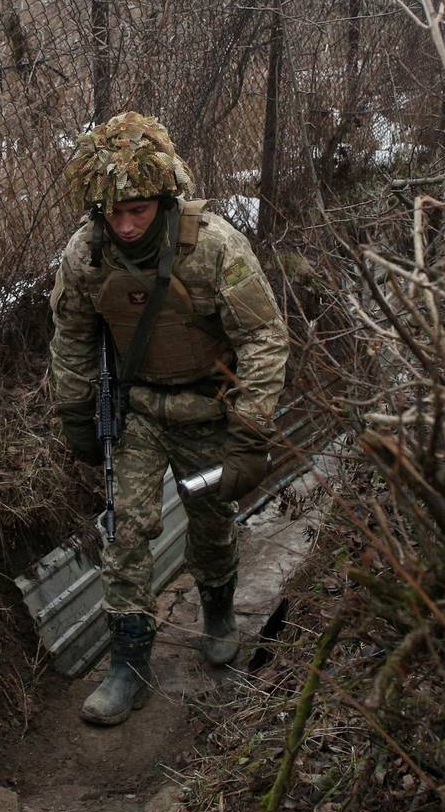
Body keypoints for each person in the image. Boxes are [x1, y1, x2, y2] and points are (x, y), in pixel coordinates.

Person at [49, 111, 289, 727]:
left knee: (211, 519)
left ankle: (217, 610)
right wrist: (77, 411)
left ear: (163, 197)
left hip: (208, 407)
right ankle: (128, 663)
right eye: (114, 213)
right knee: (125, 530)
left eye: (138, 211)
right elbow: (73, 336)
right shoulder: (88, 252)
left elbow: (264, 337)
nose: (125, 225)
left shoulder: (212, 246)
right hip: (136, 411)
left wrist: (250, 432)